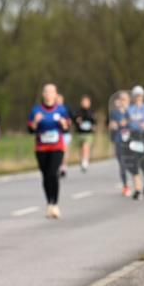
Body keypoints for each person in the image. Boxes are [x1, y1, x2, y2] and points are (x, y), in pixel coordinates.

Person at [27, 83, 72, 218]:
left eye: (51, 92)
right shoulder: (36, 111)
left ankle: (55, 203)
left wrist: (64, 124)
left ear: (55, 94)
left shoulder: (62, 110)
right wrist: (35, 122)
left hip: (57, 147)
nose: (48, 94)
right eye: (46, 91)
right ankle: (49, 203)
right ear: (43, 94)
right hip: (41, 148)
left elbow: (67, 127)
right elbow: (30, 129)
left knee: (53, 173)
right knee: (45, 175)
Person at [108, 91, 131, 195]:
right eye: (121, 99)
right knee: (122, 164)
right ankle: (125, 186)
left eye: (125, 99)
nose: (123, 102)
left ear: (128, 100)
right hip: (119, 140)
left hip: (132, 142)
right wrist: (114, 125)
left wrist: (129, 122)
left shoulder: (132, 111)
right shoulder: (114, 113)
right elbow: (111, 125)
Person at [73, 95, 96, 172]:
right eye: (84, 102)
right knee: (82, 149)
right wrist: (77, 121)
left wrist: (93, 125)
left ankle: (85, 161)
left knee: (85, 146)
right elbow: (74, 120)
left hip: (88, 133)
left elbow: (94, 121)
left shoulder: (91, 112)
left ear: (89, 103)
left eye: (86, 102)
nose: (85, 103)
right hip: (80, 133)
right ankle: (83, 160)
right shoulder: (78, 111)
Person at [56, 93, 73, 178]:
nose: (58, 101)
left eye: (60, 99)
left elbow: (70, 120)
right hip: (56, 134)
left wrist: (65, 123)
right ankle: (58, 167)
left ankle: (63, 167)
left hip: (65, 133)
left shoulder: (66, 109)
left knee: (64, 151)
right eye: (57, 99)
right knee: (57, 152)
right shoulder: (53, 109)